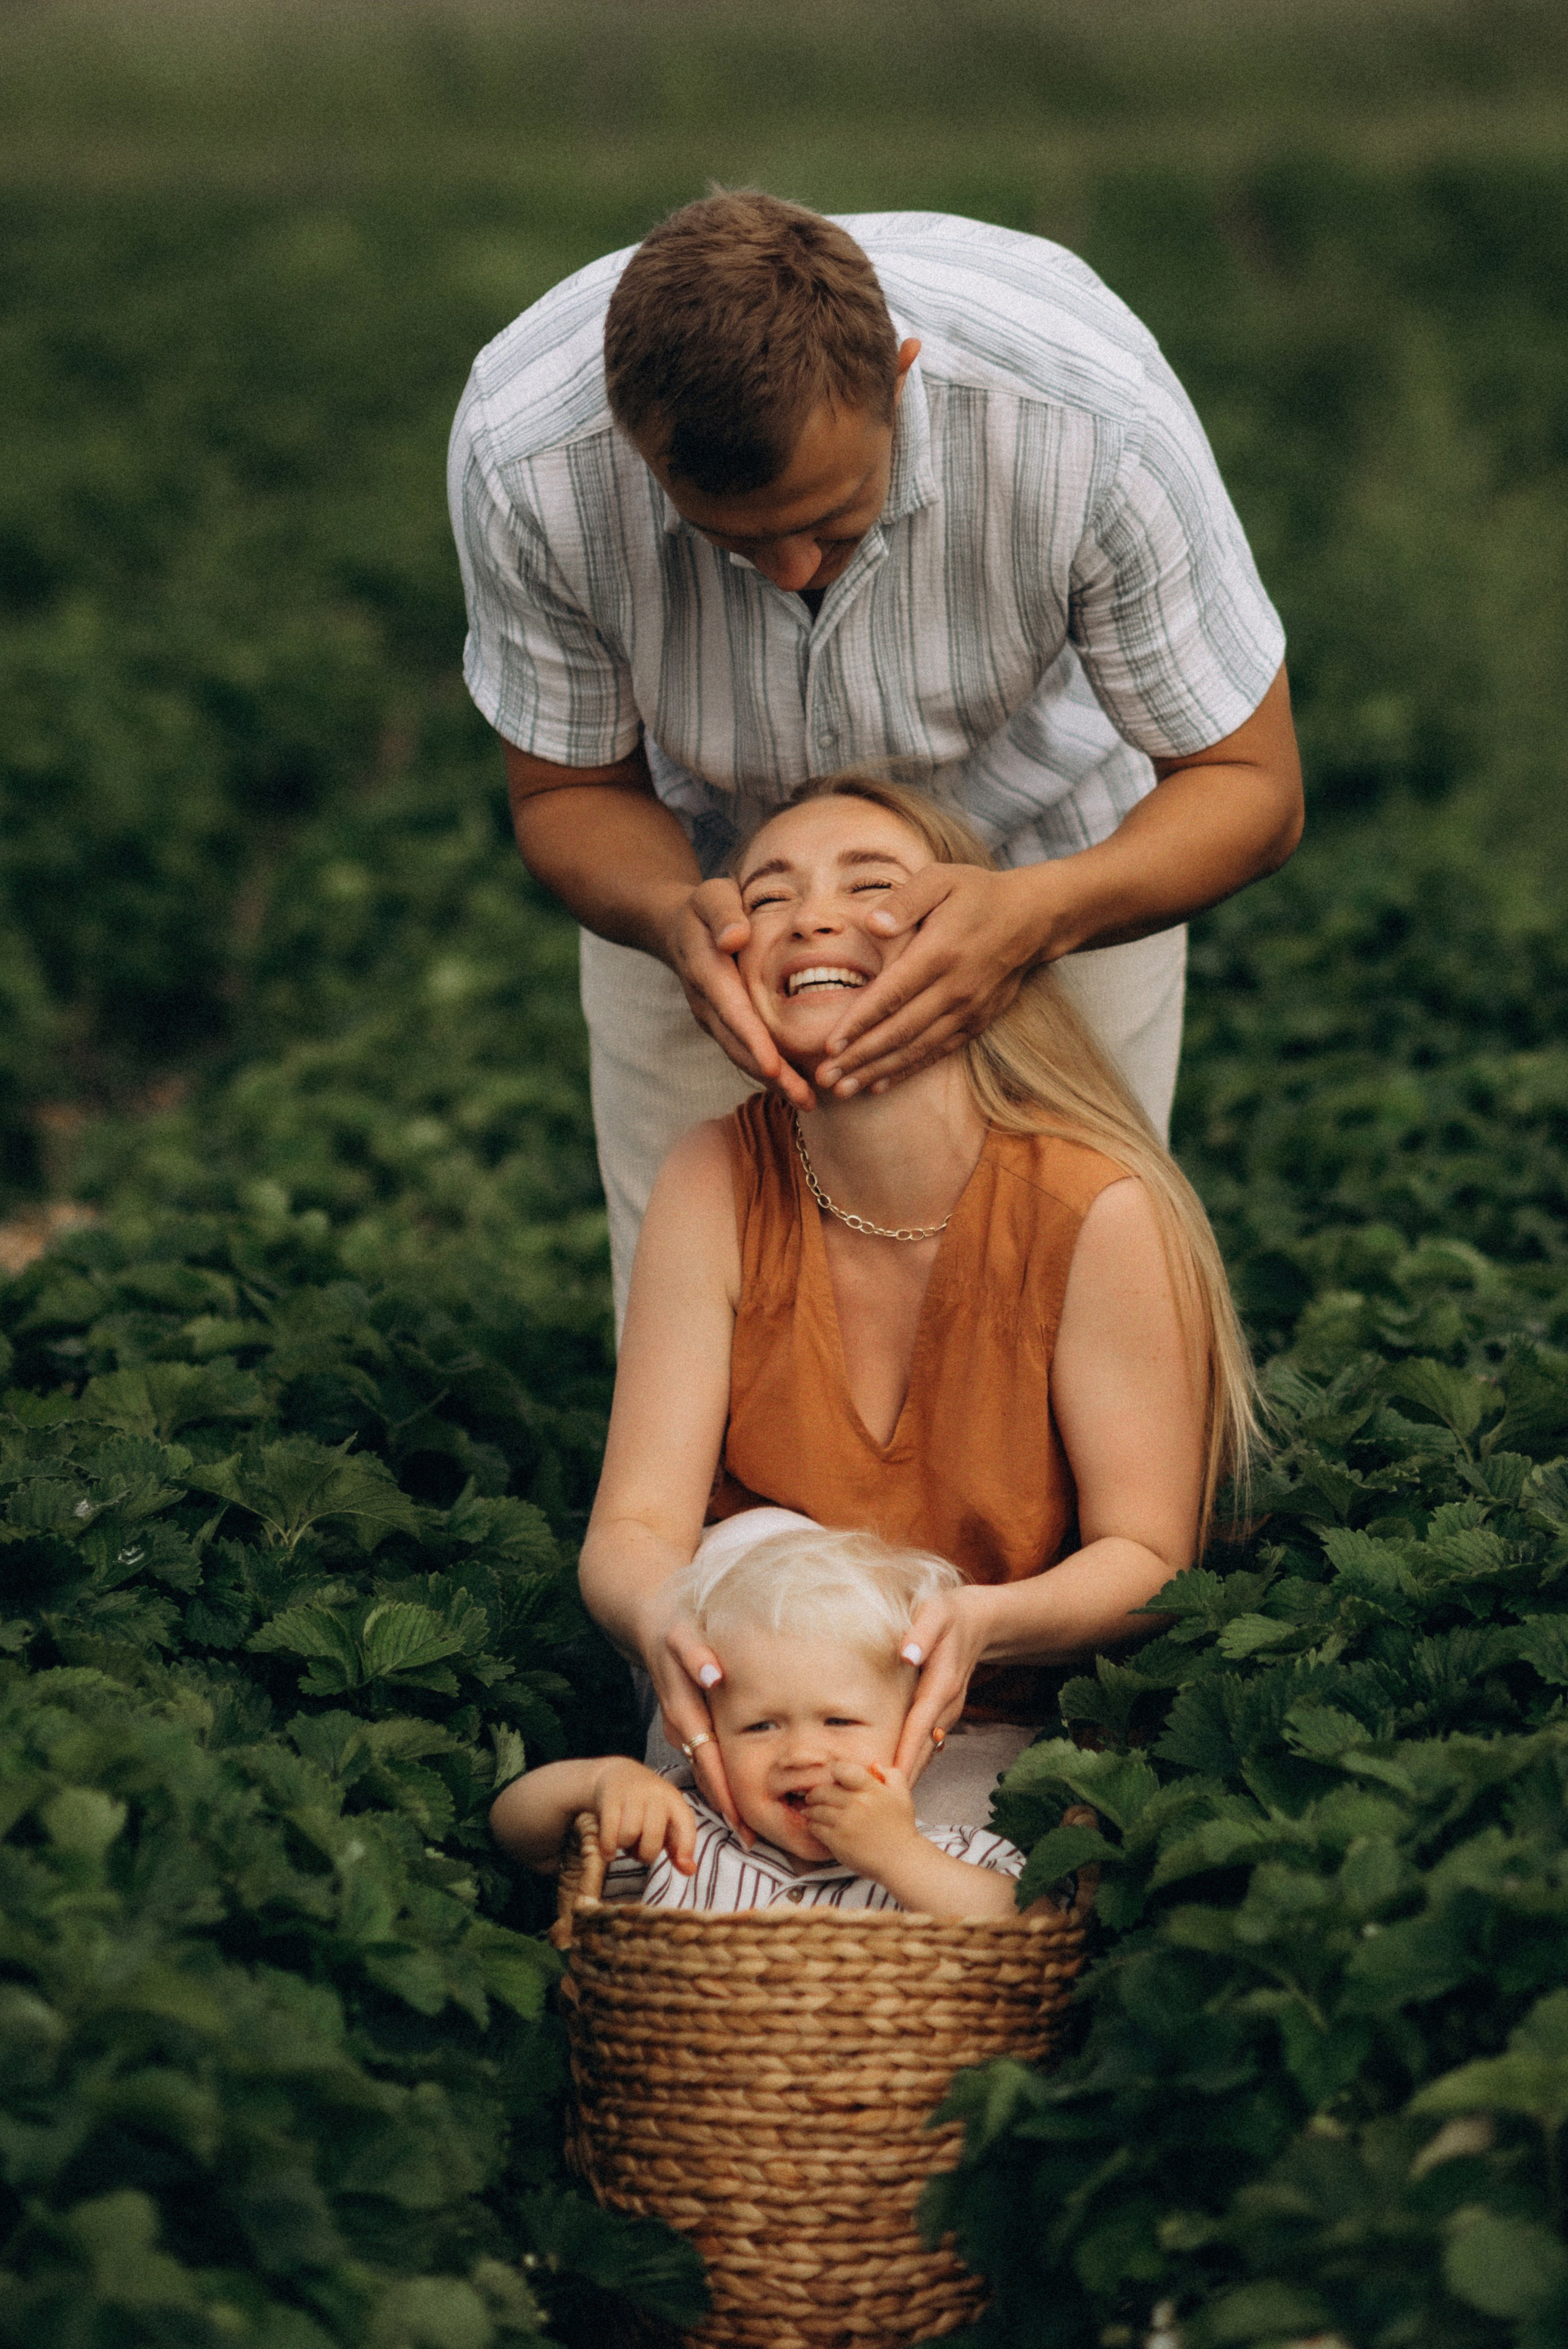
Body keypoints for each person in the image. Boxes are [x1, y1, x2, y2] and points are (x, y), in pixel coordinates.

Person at [448, 189, 1303, 1325]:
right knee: (708, 1318)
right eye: (733, 541)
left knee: (1068, 1296)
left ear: (900, 379)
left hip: (1052, 848)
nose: (793, 571)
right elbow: (573, 790)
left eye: (834, 521)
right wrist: (671, 919)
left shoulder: (1093, 416)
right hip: (715, 882)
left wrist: (1043, 915)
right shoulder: (527, 459)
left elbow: (1250, 783)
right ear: (633, 442)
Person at [574, 777, 1255, 1831]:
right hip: (759, 1717)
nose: (813, 916)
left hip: (1002, 1720)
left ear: (978, 944)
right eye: (768, 897)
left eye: (873, 886)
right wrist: (663, 1615)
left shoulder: (1097, 1206)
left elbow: (1150, 1555)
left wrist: (977, 1622)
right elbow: (635, 1524)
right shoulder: (712, 1174)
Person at [490, 1517, 1027, 1918]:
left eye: (839, 1721)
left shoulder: (948, 1854)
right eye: (760, 1726)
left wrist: (900, 1856)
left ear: (913, 1722)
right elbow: (518, 1835)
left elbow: (1034, 1926)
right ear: (711, 1727)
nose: (802, 1753)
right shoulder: (684, 1832)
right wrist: (604, 1779)